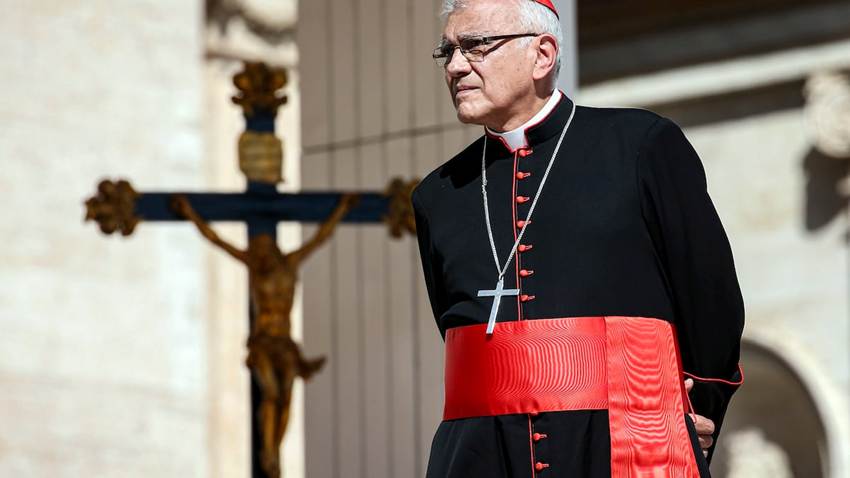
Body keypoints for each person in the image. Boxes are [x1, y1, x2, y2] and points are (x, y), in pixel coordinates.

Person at [411, 0, 745, 476]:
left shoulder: (640, 146)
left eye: (476, 46)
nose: (457, 66)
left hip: (624, 438)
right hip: (482, 452)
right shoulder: (438, 195)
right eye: (448, 51)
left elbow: (709, 296)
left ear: (542, 55)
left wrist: (700, 405)